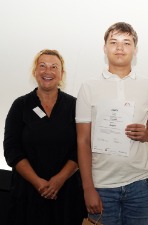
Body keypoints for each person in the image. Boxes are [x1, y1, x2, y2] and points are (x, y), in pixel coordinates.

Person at [76, 22, 148, 225]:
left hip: (141, 183)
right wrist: (88, 187)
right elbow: (82, 140)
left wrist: (146, 134)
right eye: (113, 42)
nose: (120, 48)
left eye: (126, 43)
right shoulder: (88, 87)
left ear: (135, 49)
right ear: (105, 48)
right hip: (101, 185)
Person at [3, 49, 86, 225]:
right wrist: (38, 182)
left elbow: (81, 147)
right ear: (34, 72)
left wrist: (59, 180)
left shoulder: (75, 106)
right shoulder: (21, 105)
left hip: (66, 194)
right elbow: (12, 150)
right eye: (42, 66)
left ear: (61, 74)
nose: (48, 71)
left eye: (54, 67)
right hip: (27, 193)